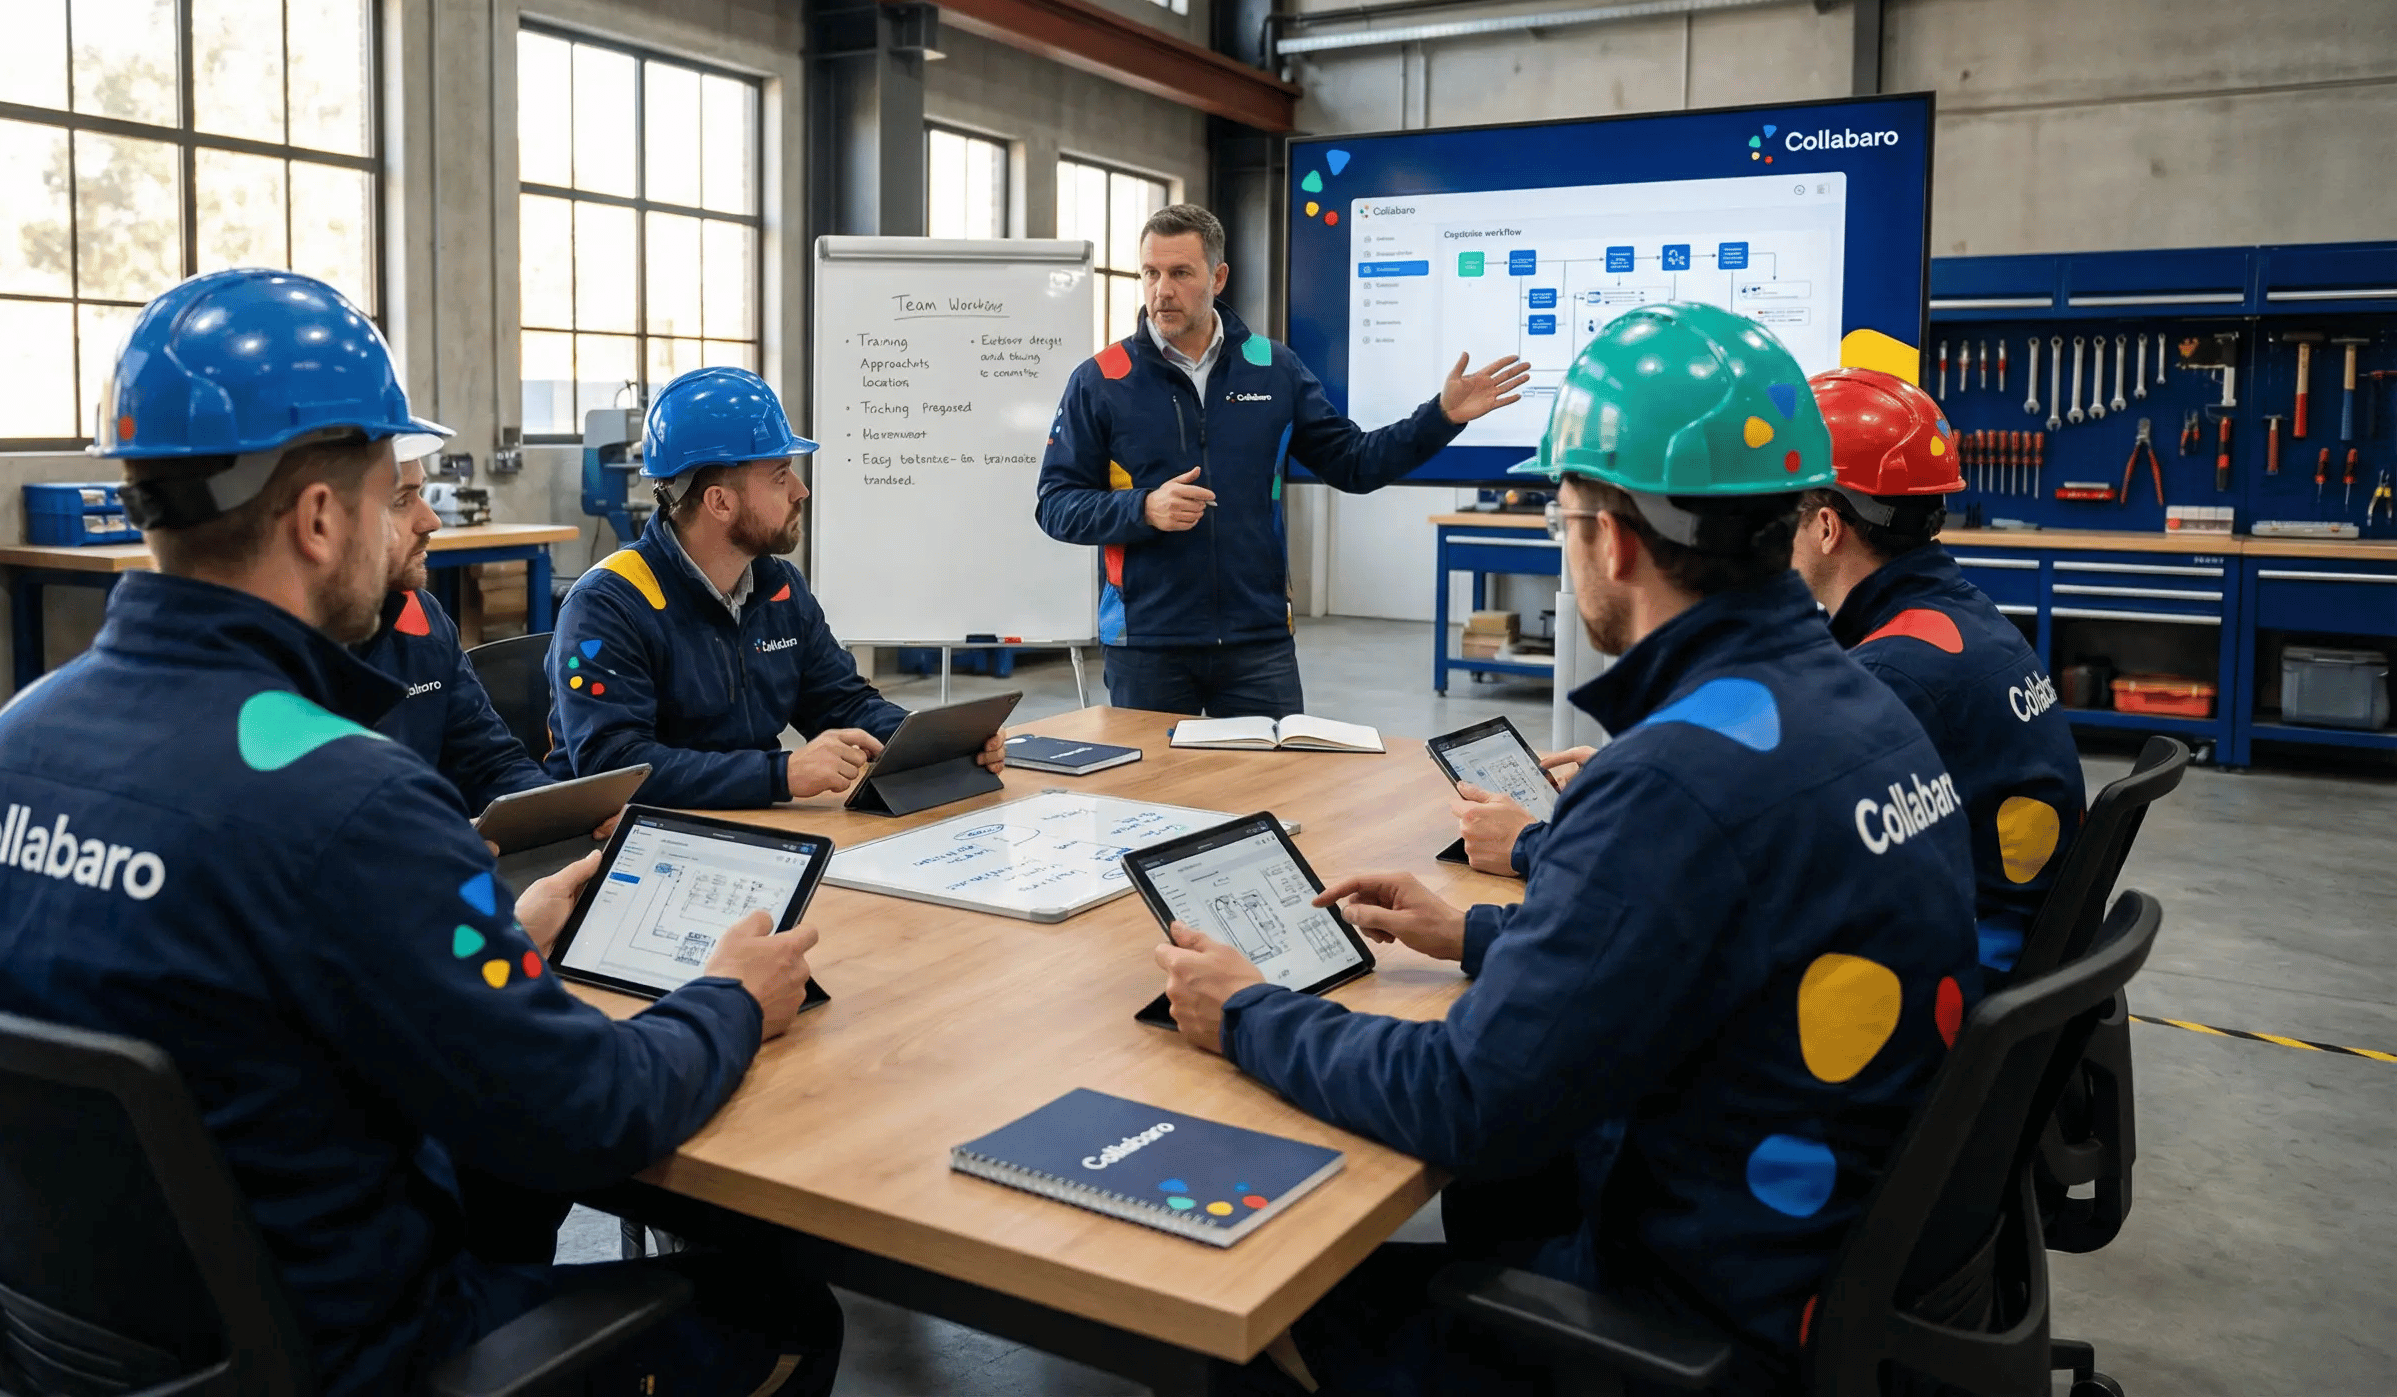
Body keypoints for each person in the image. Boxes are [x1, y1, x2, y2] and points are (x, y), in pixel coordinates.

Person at [0, 270, 840, 1397]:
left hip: (102, 1350)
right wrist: (730, 997)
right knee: (785, 1313)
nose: (420, 520)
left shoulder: (4, 752)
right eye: (396, 491)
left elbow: (239, 989)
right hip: (350, 1357)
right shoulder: (345, 795)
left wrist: (489, 931)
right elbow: (593, 1108)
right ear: (319, 519)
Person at [1151, 304, 1980, 1395]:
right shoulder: (1857, 706)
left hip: (1705, 1316)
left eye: (1563, 513)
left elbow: (1464, 1098)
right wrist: (1477, 932)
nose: (1562, 537)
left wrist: (1248, 1011)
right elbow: (1695, 937)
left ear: (1616, 539)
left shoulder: (1673, 777)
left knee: (1238, 1319)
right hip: (1827, 1249)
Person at [1036, 203, 1532, 717]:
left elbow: (1354, 463)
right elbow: (1055, 504)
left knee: (1274, 796)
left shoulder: (1274, 369)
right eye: (1151, 273)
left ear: (1218, 276)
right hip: (1147, 645)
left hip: (1258, 643)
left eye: (1181, 273)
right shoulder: (1100, 380)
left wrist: (1440, 418)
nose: (1162, 290)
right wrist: (1143, 509)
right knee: (1153, 799)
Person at [547, 365, 1002, 808]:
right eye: (781, 476)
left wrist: (937, 742)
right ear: (720, 502)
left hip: (745, 822)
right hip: (625, 845)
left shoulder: (777, 587)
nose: (800, 491)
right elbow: (614, 767)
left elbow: (840, 701)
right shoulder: (608, 605)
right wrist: (780, 775)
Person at [1793, 366, 2086, 985]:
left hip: (1959, 975)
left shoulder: (1895, 673)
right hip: (2008, 945)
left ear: (1826, 526)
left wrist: (1543, 840)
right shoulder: (1958, 616)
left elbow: (1757, 861)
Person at [357, 433, 557, 812]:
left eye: (422, 494)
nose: (430, 520)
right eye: (402, 500)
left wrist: (561, 817)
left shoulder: (422, 620)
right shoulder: (275, 658)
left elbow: (490, 765)